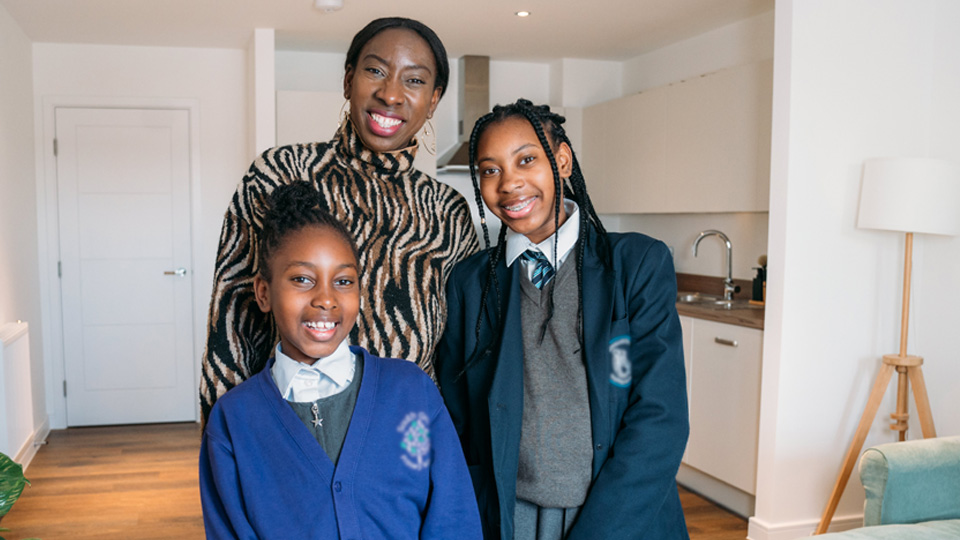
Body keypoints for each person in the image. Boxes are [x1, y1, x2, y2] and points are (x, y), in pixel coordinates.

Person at [200, 17, 479, 422]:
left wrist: (448, 456)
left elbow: (460, 355)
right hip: (294, 424)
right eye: (375, 71)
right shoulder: (280, 173)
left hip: (406, 432)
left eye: (414, 81)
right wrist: (225, 445)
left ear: (434, 100)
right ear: (348, 80)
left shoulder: (447, 210)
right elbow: (232, 324)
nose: (390, 94)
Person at [435, 99, 690, 540]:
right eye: (490, 170)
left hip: (619, 516)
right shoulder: (471, 283)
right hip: (509, 516)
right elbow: (460, 417)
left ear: (563, 160)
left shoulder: (635, 264)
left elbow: (660, 416)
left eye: (527, 160)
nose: (509, 183)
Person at [199, 182, 482, 539]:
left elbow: (453, 517)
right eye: (302, 279)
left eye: (344, 281)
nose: (326, 299)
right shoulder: (233, 421)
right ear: (264, 292)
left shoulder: (411, 394)